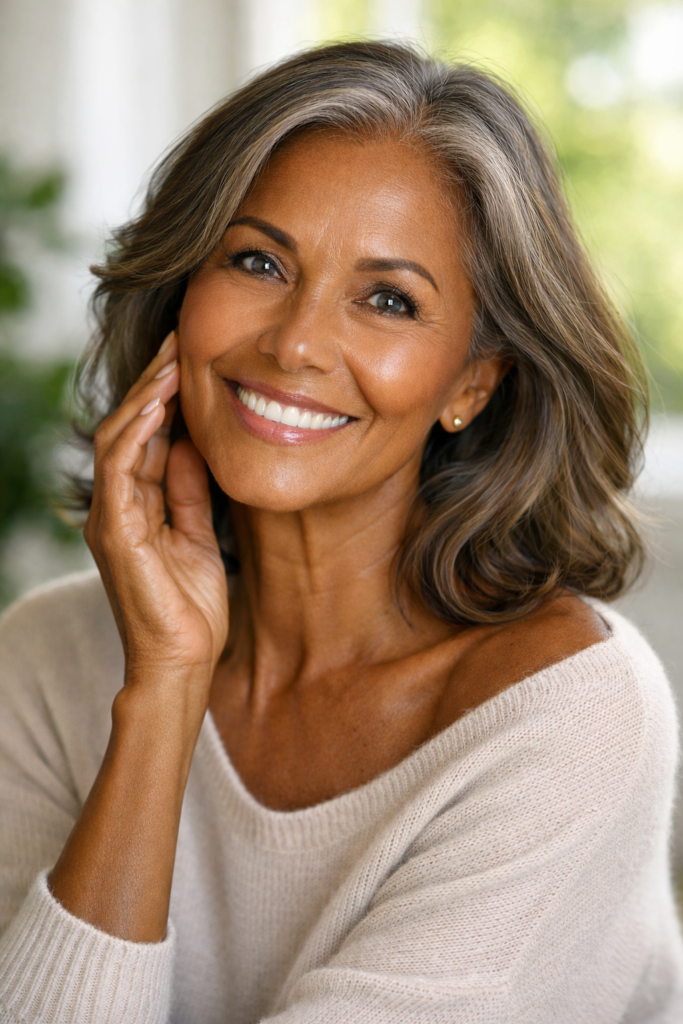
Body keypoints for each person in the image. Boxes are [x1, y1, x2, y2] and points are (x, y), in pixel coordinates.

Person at [0, 40, 681, 1024]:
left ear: (470, 382)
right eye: (257, 261)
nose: (295, 343)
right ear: (181, 296)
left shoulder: (566, 717)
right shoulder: (45, 660)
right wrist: (161, 693)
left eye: (387, 300)